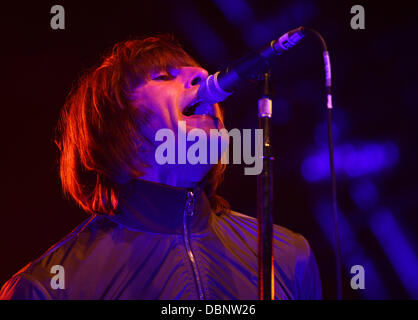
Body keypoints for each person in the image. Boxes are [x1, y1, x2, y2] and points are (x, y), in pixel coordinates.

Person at [0, 34, 321, 300]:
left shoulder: (289, 255)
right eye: (165, 76)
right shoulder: (49, 287)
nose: (200, 76)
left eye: (197, 71)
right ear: (117, 125)